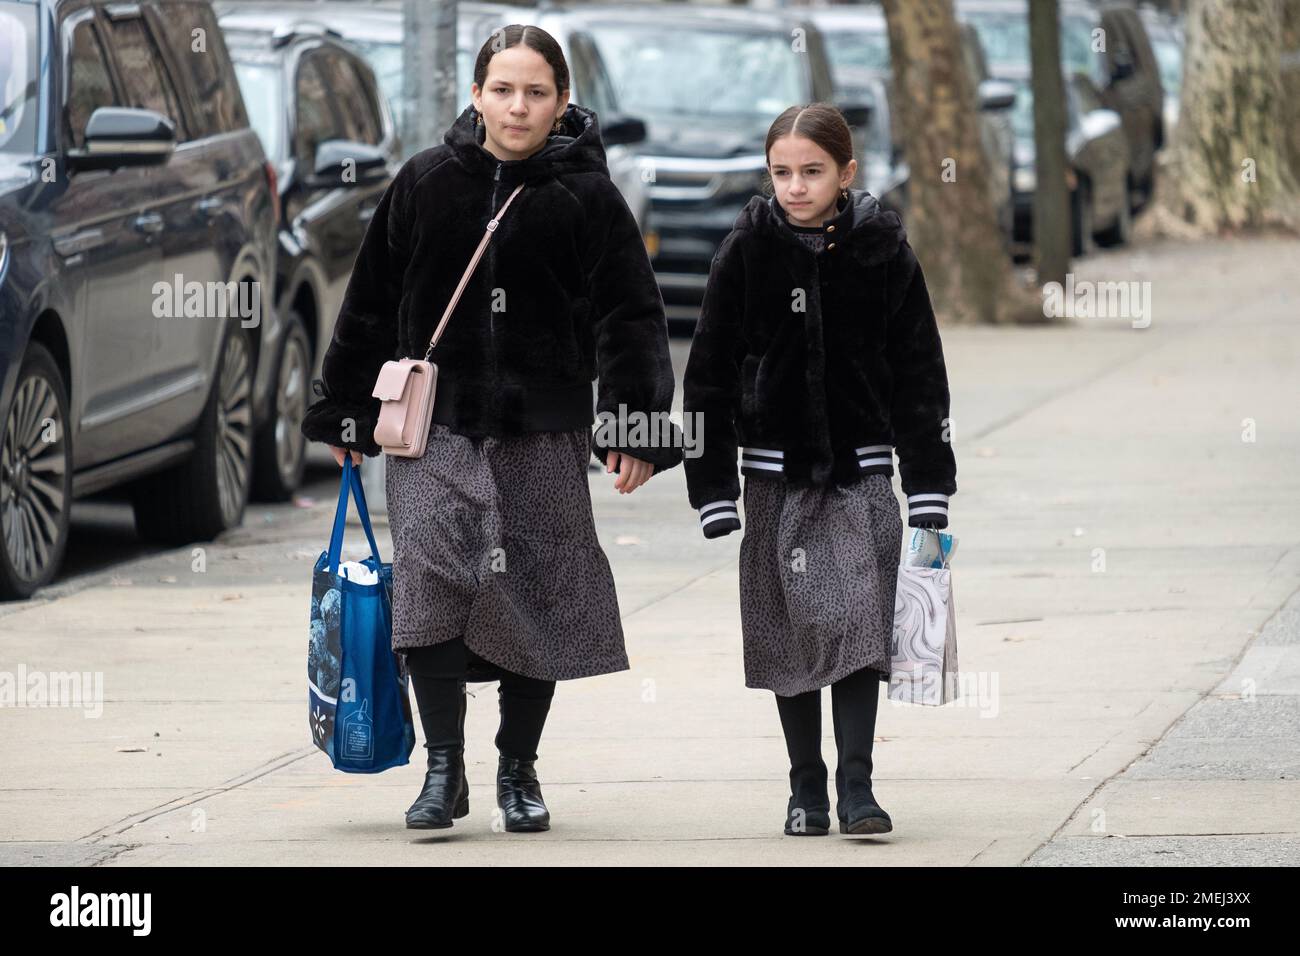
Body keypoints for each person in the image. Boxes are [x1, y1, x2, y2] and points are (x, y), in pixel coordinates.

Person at [301, 24, 682, 833]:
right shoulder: (426, 182)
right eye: (502, 89)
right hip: (433, 427)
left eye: (536, 92)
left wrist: (635, 425)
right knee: (433, 582)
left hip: (543, 431)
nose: (518, 106)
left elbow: (631, 317)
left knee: (533, 589)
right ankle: (445, 769)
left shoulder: (588, 196)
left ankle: (518, 768)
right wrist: (342, 410)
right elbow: (369, 298)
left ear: (562, 102)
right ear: (475, 95)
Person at [683, 103, 957, 837]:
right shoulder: (746, 250)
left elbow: (919, 370)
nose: (795, 186)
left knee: (859, 627)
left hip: (860, 475)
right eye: (781, 173)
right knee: (790, 635)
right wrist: (711, 487)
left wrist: (929, 482)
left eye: (812, 171)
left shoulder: (883, 251)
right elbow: (706, 373)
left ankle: (857, 786)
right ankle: (805, 787)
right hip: (773, 479)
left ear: (846, 173)